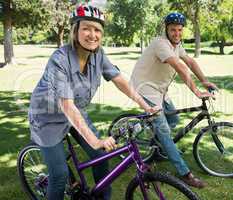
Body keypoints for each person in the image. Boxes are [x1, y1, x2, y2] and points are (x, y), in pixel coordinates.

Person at [28, 3, 158, 200]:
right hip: (47, 118)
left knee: (101, 157)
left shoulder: (98, 55)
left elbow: (120, 81)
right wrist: (95, 140)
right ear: (75, 30)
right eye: (86, 28)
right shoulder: (59, 59)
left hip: (76, 111)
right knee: (59, 175)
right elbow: (66, 105)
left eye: (97, 29)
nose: (92, 34)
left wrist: (146, 106)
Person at [130, 12, 218, 189]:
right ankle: (185, 173)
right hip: (145, 88)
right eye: (173, 30)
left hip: (160, 89)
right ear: (166, 29)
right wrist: (197, 91)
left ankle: (156, 146)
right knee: (164, 131)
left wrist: (204, 80)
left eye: (179, 30)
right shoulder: (160, 44)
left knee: (174, 119)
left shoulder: (177, 45)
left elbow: (190, 62)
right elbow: (179, 66)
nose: (177, 33)